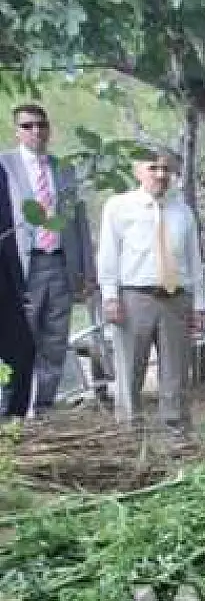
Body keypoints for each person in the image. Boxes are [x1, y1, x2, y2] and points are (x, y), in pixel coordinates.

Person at [95, 146, 205, 442]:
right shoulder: (119, 207)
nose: (160, 174)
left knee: (176, 370)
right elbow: (108, 255)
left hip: (176, 298)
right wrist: (110, 297)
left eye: (166, 169)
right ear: (138, 172)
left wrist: (198, 305)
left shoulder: (182, 211)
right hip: (134, 298)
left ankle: (177, 433)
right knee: (130, 369)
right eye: (153, 168)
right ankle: (130, 434)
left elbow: (194, 261)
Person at [0, 103, 93, 415]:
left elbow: (79, 223)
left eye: (41, 125)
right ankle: (14, 409)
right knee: (19, 341)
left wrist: (86, 270)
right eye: (27, 126)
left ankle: (43, 408)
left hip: (59, 263)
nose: (35, 131)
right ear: (16, 131)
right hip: (21, 268)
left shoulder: (63, 169)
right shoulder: (5, 165)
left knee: (55, 341)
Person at [0, 169, 36, 417]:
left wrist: (18, 285)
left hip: (5, 278)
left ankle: (12, 421)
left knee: (22, 350)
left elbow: (7, 230)